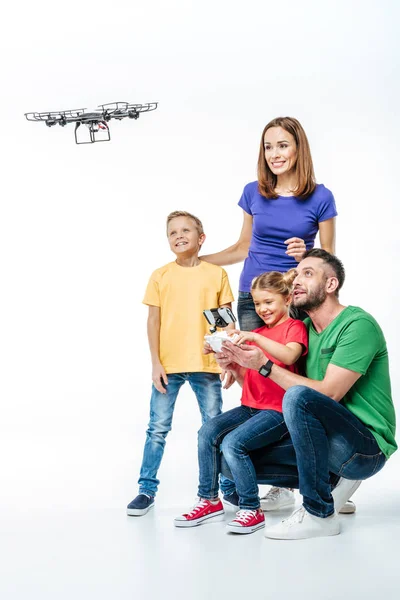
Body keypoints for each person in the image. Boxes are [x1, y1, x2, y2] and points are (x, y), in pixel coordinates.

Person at [217, 249, 397, 539]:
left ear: (331, 284)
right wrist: (241, 370)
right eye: (297, 273)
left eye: (308, 273)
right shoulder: (300, 331)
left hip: (364, 447)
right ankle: (318, 489)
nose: (297, 279)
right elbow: (276, 388)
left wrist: (263, 365)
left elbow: (327, 394)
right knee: (227, 457)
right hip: (322, 442)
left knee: (300, 396)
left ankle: (319, 513)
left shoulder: (357, 325)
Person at [174, 270, 308, 534]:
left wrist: (255, 338)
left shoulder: (294, 328)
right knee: (207, 433)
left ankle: (250, 509)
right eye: (258, 303)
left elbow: (290, 356)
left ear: (287, 299)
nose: (262, 309)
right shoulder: (255, 331)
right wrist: (230, 364)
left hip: (279, 410)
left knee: (234, 443)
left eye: (268, 302)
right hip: (251, 405)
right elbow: (250, 381)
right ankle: (209, 500)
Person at [127, 210, 236, 516]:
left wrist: (229, 361)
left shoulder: (215, 274)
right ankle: (146, 490)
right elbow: (153, 322)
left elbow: (226, 321)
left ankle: (226, 489)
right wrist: (155, 363)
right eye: (172, 233)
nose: (178, 236)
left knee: (215, 428)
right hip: (169, 366)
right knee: (157, 428)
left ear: (201, 239)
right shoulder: (160, 276)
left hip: (206, 364)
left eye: (185, 231)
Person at [201, 116, 337, 331]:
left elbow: (329, 258)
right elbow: (242, 248)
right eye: (268, 147)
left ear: (298, 149)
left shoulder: (321, 197)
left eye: (282, 146)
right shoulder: (252, 192)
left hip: (296, 295)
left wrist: (307, 257)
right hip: (254, 295)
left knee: (295, 363)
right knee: (252, 361)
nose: (274, 154)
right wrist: (197, 261)